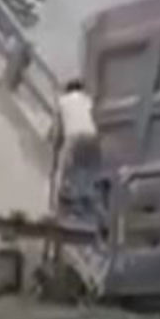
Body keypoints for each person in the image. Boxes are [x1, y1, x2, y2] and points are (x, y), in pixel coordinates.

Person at [53, 77, 102, 221]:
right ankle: (88, 209)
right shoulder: (87, 100)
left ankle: (63, 208)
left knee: (66, 172)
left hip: (74, 137)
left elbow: (58, 131)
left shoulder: (62, 101)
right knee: (88, 173)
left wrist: (56, 147)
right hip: (93, 137)